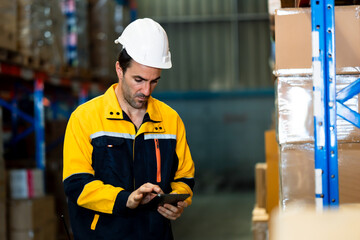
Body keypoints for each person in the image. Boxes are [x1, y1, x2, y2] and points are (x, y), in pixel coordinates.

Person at [62, 18, 195, 240]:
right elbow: (77, 184)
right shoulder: (85, 118)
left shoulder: (170, 119)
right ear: (119, 70)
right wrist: (126, 199)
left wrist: (177, 200)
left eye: (154, 81)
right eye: (139, 80)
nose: (146, 90)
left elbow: (185, 178)